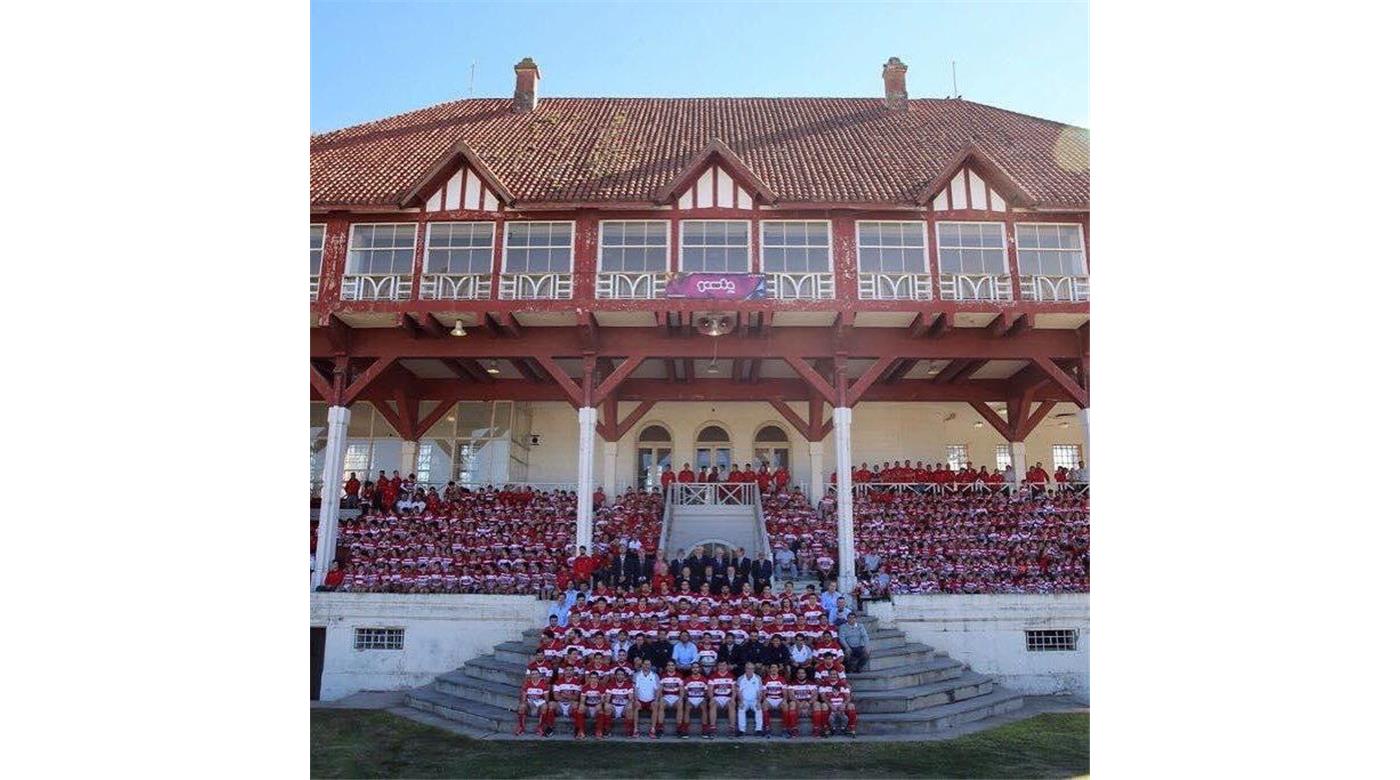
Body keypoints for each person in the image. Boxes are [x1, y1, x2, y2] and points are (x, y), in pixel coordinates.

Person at [516, 668, 556, 736]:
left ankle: (540, 727)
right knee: (521, 706)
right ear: (530, 675)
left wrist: (539, 702)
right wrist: (527, 704)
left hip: (539, 705)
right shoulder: (527, 684)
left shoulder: (544, 684)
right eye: (533, 674)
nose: (534, 675)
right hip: (530, 705)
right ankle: (521, 727)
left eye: (536, 674)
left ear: (539, 675)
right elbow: (524, 698)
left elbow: (546, 699)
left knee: (545, 706)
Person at [784, 666, 819, 737]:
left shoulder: (811, 684)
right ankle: (794, 729)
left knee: (817, 704)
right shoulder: (792, 684)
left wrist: (809, 703)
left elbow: (815, 696)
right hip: (797, 706)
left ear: (806, 674)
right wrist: (799, 703)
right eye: (799, 673)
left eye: (803, 673)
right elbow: (791, 696)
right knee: (792, 703)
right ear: (796, 675)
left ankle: (816, 729)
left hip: (808, 706)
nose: (801, 675)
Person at [654, 661, 686, 738]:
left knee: (680, 704)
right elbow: (660, 689)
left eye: (672, 665)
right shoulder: (663, 676)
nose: (671, 667)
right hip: (666, 697)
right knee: (661, 703)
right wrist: (658, 699)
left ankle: (679, 728)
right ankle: (660, 728)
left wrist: (681, 698)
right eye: (669, 665)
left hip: (676, 697)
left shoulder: (679, 676)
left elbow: (682, 689)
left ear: (675, 666)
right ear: (666, 667)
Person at [601, 668, 635, 739]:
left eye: (622, 674)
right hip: (614, 708)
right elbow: (607, 699)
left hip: (623, 708)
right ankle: (607, 729)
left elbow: (631, 698)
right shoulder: (610, 685)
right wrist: (606, 702)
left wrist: (629, 704)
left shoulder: (629, 685)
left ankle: (629, 730)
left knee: (630, 705)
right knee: (607, 706)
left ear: (624, 676)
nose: (620, 676)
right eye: (618, 674)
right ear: (615, 676)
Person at [735, 661, 764, 737]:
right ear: (745, 669)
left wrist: (758, 702)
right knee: (741, 709)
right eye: (748, 668)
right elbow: (739, 692)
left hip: (754, 700)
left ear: (754, 669)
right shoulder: (740, 678)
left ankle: (758, 730)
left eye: (751, 669)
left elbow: (760, 691)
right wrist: (741, 701)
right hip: (744, 700)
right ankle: (741, 730)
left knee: (759, 709)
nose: (750, 670)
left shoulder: (758, 678)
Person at [682, 666, 710, 738]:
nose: (695, 669)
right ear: (691, 669)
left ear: (699, 669)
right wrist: (687, 699)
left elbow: (707, 692)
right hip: (690, 698)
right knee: (687, 706)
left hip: (701, 699)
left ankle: (704, 730)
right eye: (693, 667)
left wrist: (704, 699)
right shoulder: (687, 679)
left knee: (704, 706)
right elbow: (684, 692)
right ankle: (685, 730)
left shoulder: (704, 679)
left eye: (697, 667)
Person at [578, 671, 607, 739]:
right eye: (592, 678)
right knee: (581, 708)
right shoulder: (585, 688)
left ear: (598, 679)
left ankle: (599, 731)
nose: (593, 680)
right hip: (588, 708)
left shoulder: (602, 688)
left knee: (600, 709)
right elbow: (582, 700)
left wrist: (600, 702)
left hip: (597, 708)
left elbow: (603, 700)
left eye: (595, 678)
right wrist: (582, 705)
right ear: (589, 679)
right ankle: (581, 731)